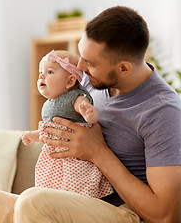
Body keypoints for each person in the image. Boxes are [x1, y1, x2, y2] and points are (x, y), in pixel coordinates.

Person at [0, 6, 181, 223]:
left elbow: (164, 215)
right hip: (68, 199)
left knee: (34, 201)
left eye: (90, 63)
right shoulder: (92, 84)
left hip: (122, 212)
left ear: (123, 68)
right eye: (81, 55)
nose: (80, 68)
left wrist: (99, 152)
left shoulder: (162, 109)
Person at [21, 49, 113, 198]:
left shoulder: (75, 97)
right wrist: (34, 136)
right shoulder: (48, 104)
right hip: (55, 160)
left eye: (50, 72)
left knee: (75, 190)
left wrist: (89, 113)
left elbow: (87, 109)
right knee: (50, 190)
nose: (42, 76)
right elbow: (51, 130)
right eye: (41, 72)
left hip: (74, 160)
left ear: (70, 81)